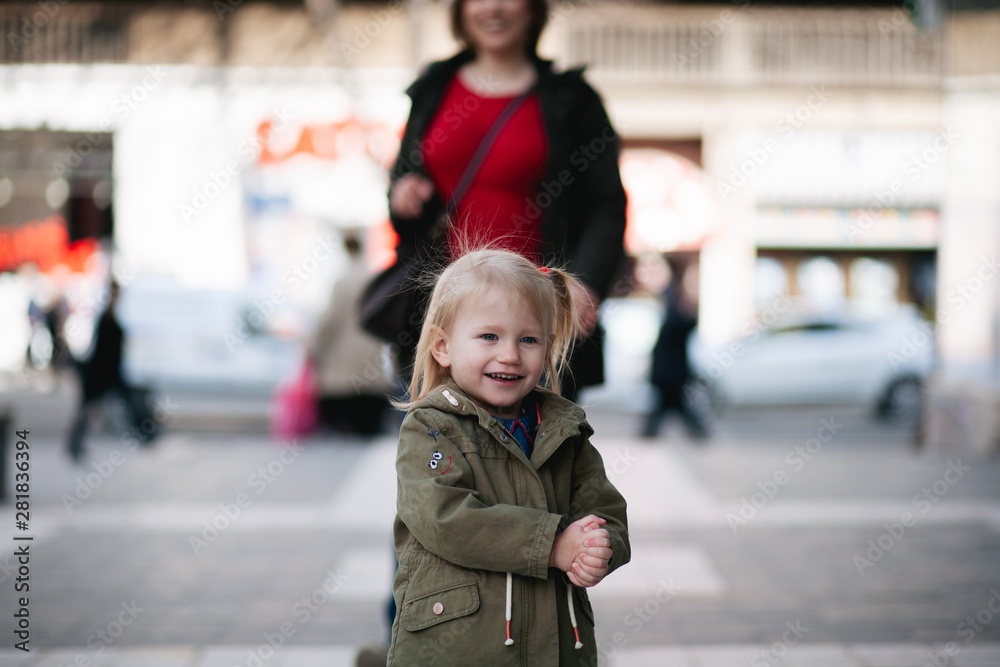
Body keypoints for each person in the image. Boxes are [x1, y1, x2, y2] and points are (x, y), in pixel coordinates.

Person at [385, 248, 630, 666]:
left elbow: (604, 509)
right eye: (489, 337)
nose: (511, 355)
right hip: (461, 648)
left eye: (528, 339)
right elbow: (447, 518)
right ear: (443, 348)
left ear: (548, 348)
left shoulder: (563, 429)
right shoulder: (431, 427)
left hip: (556, 646)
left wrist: (598, 547)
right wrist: (553, 545)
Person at [386, 0, 628, 394]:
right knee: (436, 450)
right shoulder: (433, 90)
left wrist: (587, 284)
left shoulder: (572, 100)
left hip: (538, 321)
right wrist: (403, 196)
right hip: (442, 315)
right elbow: (403, 182)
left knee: (538, 453)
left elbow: (606, 204)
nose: (494, 7)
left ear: (533, 10)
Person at [308, 235, 391, 436]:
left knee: (347, 424)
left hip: (344, 364)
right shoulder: (374, 277)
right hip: (370, 358)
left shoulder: (342, 281)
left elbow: (330, 319)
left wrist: (311, 345)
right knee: (369, 423)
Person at [67, 280, 156, 462]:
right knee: (90, 411)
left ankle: (144, 435)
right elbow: (102, 352)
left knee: (100, 409)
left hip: (109, 375)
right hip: (103, 375)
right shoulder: (107, 320)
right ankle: (74, 445)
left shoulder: (110, 318)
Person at [641, 261, 709, 441]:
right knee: (673, 406)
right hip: (670, 374)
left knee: (670, 406)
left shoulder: (671, 319)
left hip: (669, 374)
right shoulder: (673, 318)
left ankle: (647, 435)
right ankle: (699, 434)